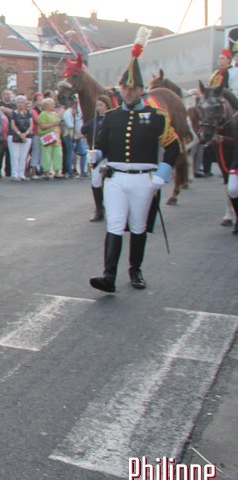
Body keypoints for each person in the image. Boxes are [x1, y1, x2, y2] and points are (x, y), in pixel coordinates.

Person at [87, 29, 180, 293]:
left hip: (144, 178)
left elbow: (173, 146)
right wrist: (96, 155)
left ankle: (135, 269)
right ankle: (108, 276)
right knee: (115, 224)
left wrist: (161, 176)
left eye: (133, 88)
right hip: (116, 178)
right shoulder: (111, 117)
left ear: (141, 90)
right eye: (124, 87)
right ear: (120, 88)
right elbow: (104, 147)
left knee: (138, 226)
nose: (128, 92)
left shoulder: (157, 116)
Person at [81, 95, 112, 221]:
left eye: (101, 105)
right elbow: (83, 129)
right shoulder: (95, 120)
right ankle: (99, 209)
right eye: (97, 105)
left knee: (111, 182)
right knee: (95, 180)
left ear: (107, 105)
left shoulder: (113, 118)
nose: (99, 108)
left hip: (111, 154)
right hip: (98, 154)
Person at [7, 96, 33, 181]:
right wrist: (19, 133)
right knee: (15, 156)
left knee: (23, 156)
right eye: (18, 102)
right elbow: (13, 125)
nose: (20, 104)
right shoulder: (13, 113)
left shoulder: (28, 113)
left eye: (22, 102)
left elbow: (31, 124)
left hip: (26, 136)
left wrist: (26, 133)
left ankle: (21, 174)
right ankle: (15, 174)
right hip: (14, 136)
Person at [37, 97, 63, 179]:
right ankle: (46, 172)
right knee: (46, 155)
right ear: (46, 105)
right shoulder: (43, 114)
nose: (53, 105)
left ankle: (57, 171)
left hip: (56, 137)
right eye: (51, 104)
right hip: (47, 137)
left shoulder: (55, 114)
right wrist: (54, 124)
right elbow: (42, 126)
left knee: (58, 154)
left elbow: (58, 124)